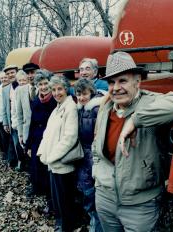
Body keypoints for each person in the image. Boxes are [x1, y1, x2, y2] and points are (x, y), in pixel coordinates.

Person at [92, 51, 173, 232]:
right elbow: (96, 146)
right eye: (111, 82)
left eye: (123, 81)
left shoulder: (149, 102)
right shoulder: (106, 108)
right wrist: (97, 177)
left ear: (137, 81)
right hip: (105, 198)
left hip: (140, 204)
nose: (116, 87)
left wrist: (135, 120)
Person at [37, 75, 78, 232]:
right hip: (53, 162)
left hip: (62, 162)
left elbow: (70, 138)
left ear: (66, 89)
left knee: (65, 198)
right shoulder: (57, 108)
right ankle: (61, 222)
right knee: (57, 197)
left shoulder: (70, 107)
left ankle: (67, 226)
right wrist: (42, 153)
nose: (56, 93)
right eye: (53, 89)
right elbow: (48, 134)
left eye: (59, 89)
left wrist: (52, 157)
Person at [74, 79, 103, 232]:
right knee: (86, 190)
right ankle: (93, 221)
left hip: (93, 156)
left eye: (84, 94)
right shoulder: (81, 109)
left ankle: (97, 226)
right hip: (84, 156)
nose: (81, 97)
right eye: (78, 94)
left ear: (91, 92)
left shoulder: (96, 109)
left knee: (94, 193)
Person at [25, 69, 56, 205]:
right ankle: (40, 190)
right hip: (37, 139)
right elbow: (32, 123)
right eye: (40, 84)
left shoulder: (55, 100)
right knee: (37, 167)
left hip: (51, 140)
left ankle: (52, 200)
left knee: (49, 170)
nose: (43, 87)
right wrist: (28, 144)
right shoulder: (37, 100)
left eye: (45, 83)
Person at [1, 64, 23, 169]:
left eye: (12, 72)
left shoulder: (23, 85)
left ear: (17, 72)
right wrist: (5, 123)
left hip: (24, 122)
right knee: (16, 144)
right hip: (13, 122)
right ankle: (20, 162)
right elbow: (4, 107)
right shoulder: (5, 89)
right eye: (8, 73)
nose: (10, 75)